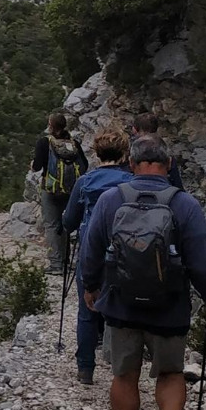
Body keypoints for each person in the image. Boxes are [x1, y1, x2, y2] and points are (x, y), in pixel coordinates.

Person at [79, 133, 206, 410]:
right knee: (171, 374)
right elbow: (201, 263)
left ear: (131, 164)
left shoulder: (112, 200)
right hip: (169, 306)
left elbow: (91, 248)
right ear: (169, 165)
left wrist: (91, 286)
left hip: (122, 304)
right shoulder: (184, 204)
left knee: (124, 375)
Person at [60, 126, 133, 385]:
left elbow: (69, 222)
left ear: (97, 153)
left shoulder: (86, 182)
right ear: (125, 152)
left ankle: (85, 368)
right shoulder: (132, 182)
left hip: (93, 254)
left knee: (87, 311)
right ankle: (122, 370)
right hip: (128, 255)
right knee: (124, 310)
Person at [31, 112, 86, 275]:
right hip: (71, 191)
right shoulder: (74, 143)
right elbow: (85, 165)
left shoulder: (45, 142)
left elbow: (37, 166)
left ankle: (56, 263)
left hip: (51, 190)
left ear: (50, 125)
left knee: (52, 225)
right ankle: (67, 261)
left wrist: (32, 165)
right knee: (67, 224)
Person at [130, 112, 184, 191]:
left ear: (135, 129)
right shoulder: (164, 151)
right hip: (164, 193)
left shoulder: (131, 152)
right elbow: (176, 183)